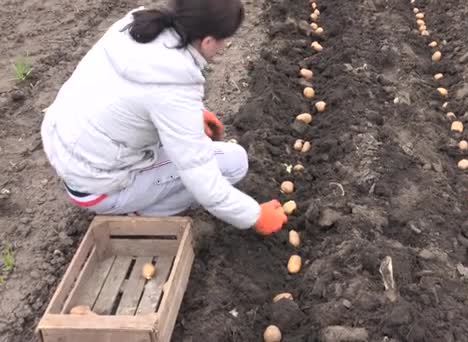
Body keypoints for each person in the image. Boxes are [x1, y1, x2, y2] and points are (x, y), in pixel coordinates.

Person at [40, 0, 287, 235]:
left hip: (68, 152)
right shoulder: (174, 86)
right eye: (224, 40)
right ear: (209, 41)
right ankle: (141, 210)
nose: (224, 46)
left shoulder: (137, 25)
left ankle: (133, 196)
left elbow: (128, 97)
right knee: (234, 162)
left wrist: (190, 118)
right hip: (99, 184)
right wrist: (254, 216)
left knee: (196, 151)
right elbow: (203, 180)